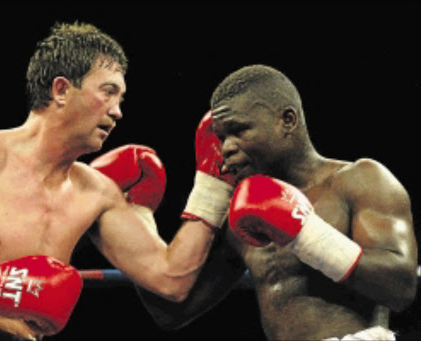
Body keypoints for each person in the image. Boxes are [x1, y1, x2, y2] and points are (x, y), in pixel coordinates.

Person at [0, 22, 226, 340]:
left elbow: (171, 280)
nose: (117, 112)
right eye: (108, 92)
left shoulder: (97, 192)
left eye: (121, 98)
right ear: (61, 90)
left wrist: (212, 187)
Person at [136, 65, 418, 340]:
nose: (225, 148)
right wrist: (135, 219)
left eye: (238, 131)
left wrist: (305, 233)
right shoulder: (240, 219)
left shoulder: (360, 180)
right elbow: (171, 313)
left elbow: (401, 289)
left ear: (287, 121)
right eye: (221, 137)